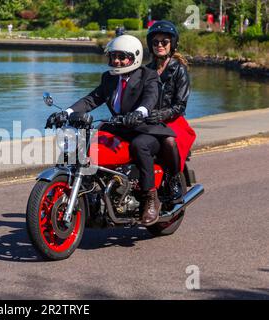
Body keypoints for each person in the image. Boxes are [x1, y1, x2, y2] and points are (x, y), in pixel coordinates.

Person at [46, 35, 176, 226]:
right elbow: (92, 99)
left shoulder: (148, 75)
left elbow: (151, 97)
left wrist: (139, 112)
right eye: (113, 56)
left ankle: (150, 198)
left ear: (135, 57)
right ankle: (90, 193)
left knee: (140, 146)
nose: (116, 61)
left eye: (122, 56)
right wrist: (66, 112)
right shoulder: (109, 78)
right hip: (119, 128)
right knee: (88, 148)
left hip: (145, 129)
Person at [145, 20, 197, 204]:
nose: (159, 45)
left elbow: (180, 105)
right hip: (149, 119)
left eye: (164, 41)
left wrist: (161, 115)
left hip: (173, 120)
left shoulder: (179, 70)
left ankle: (174, 178)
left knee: (168, 141)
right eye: (156, 42)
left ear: (172, 44)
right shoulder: (146, 70)